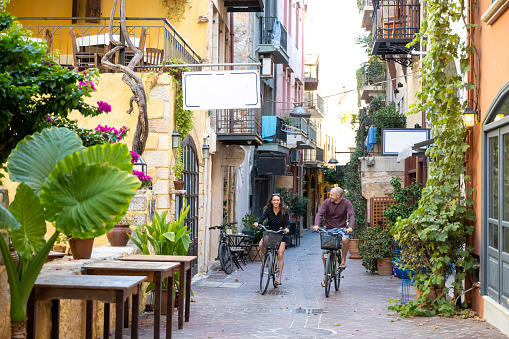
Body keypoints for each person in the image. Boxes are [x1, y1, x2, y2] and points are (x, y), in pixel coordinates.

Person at [313, 187, 355, 286]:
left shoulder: (346, 203)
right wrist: (316, 225)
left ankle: (343, 260)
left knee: (345, 239)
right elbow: (320, 214)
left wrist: (350, 227)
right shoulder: (327, 202)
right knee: (325, 254)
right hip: (329, 230)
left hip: (342, 229)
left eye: (331, 194)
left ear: (338, 196)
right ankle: (326, 274)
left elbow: (352, 215)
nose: (330, 196)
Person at [253, 193, 290, 285]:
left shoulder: (284, 210)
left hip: (281, 234)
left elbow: (288, 223)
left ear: (280, 201)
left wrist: (287, 228)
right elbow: (262, 218)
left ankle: (279, 278)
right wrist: (257, 223)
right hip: (271, 233)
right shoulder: (268, 210)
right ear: (271, 201)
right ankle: (268, 257)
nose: (276, 202)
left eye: (278, 200)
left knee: (280, 255)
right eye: (274, 200)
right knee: (261, 244)